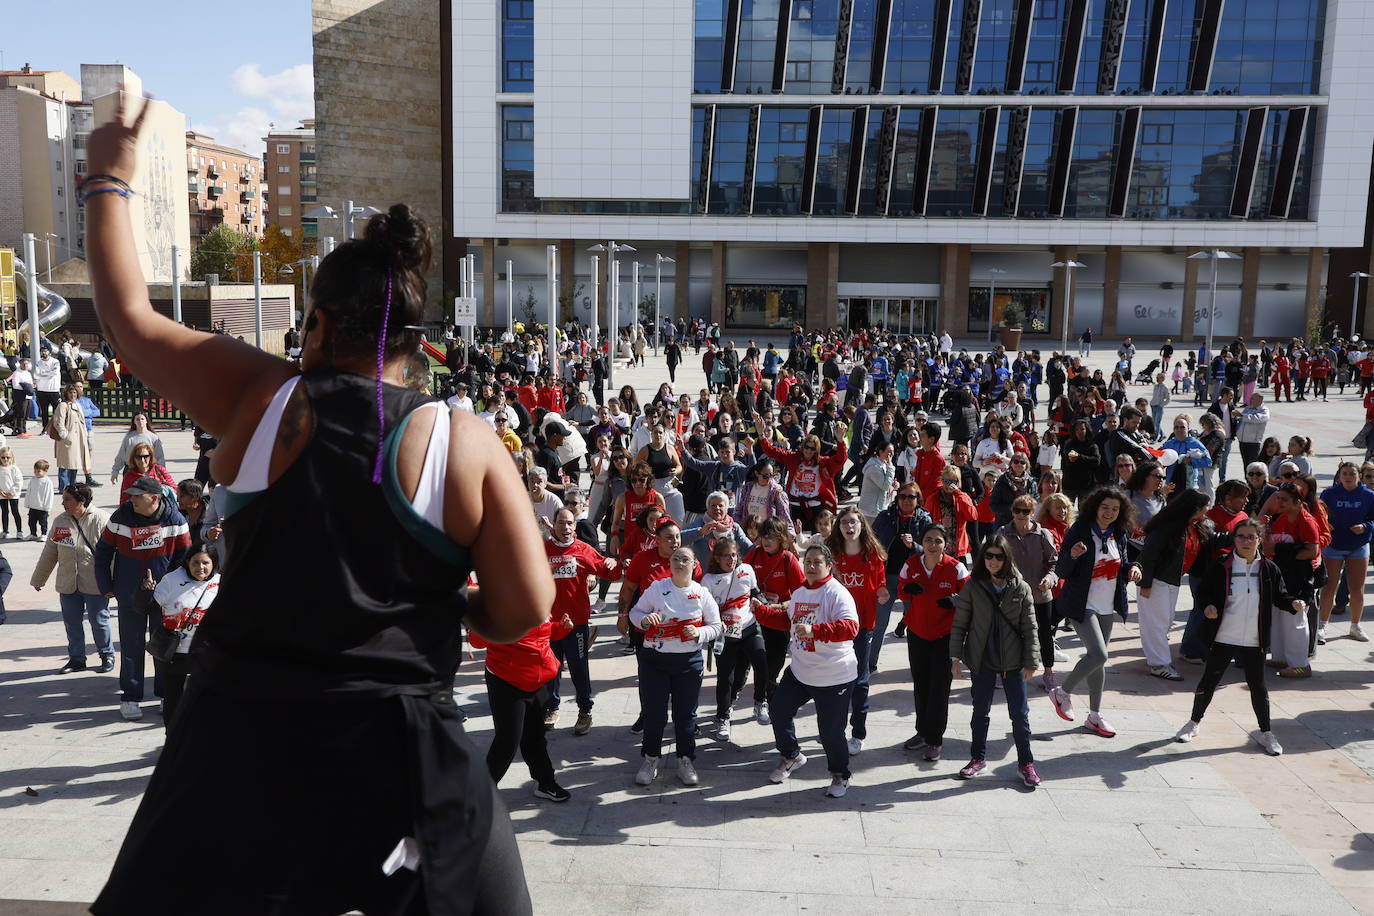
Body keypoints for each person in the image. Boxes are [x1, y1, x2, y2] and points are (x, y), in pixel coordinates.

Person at [86, 106, 549, 913]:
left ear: (319, 322)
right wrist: (448, 602)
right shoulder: (463, 441)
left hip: (242, 741)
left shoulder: (259, 396)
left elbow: (130, 322)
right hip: (398, 752)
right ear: (417, 339)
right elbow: (525, 609)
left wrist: (108, 179)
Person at [1175, 518, 1304, 756]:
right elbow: (1203, 594)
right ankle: (1193, 723)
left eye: (1251, 536)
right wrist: (1208, 607)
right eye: (1241, 536)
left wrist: (1293, 603)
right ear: (1234, 539)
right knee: (1209, 681)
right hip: (1224, 634)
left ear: (1260, 539)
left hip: (1255, 639)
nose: (1246, 541)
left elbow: (1280, 596)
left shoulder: (1268, 569)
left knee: (1258, 686)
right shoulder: (1222, 565)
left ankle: (1266, 732)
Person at [755, 544, 861, 798]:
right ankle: (791, 755)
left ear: (829, 566)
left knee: (830, 731)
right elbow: (786, 621)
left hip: (834, 676)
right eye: (808, 562)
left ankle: (840, 774)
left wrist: (817, 631)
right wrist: (760, 612)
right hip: (801, 671)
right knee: (779, 711)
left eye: (817, 562)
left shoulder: (837, 593)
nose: (811, 566)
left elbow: (850, 627)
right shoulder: (800, 592)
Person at [949, 535, 1042, 787]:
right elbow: (960, 624)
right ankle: (977, 759)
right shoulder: (974, 586)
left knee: (1019, 715)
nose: (992, 561)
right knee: (980, 712)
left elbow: (1031, 627)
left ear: (1006, 558)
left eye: (998, 556)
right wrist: (955, 658)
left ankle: (1026, 763)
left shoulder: (1020, 587)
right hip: (982, 659)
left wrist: (1032, 661)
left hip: (1013, 662)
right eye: (988, 556)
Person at [1050, 487, 1142, 738]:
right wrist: (1072, 554)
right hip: (1082, 604)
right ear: (1094, 507)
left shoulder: (1119, 533)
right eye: (1105, 508)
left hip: (1106, 606)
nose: (1109, 513)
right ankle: (1062, 693)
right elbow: (1062, 571)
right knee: (1099, 654)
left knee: (1097, 661)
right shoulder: (1080, 531)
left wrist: (1134, 569)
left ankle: (1094, 716)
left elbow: (1123, 563)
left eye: (1115, 509)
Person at [628, 546, 721, 787]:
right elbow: (635, 612)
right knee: (655, 714)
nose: (680, 563)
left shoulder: (701, 593)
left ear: (694, 564)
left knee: (686, 716)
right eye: (676, 559)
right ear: (670, 564)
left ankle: (685, 760)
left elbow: (717, 626)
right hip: (654, 662)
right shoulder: (657, 588)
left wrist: (699, 632)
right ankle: (650, 759)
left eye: (685, 559)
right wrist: (644, 620)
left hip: (688, 663)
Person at [543, 507, 619, 734]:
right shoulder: (542, 550)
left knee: (578, 668)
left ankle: (585, 711)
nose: (565, 527)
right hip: (549, 622)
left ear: (574, 526)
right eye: (561, 523)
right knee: (551, 668)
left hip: (576, 624)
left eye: (569, 523)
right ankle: (551, 708)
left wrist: (614, 563)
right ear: (553, 526)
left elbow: (609, 572)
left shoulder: (584, 550)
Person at [897, 524, 969, 760]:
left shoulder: (956, 567)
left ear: (945, 544)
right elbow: (900, 591)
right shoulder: (912, 565)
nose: (933, 545)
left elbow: (970, 596)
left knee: (939, 689)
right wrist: (907, 588)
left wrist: (955, 600)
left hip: (944, 638)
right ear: (922, 542)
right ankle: (922, 732)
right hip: (917, 633)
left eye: (938, 541)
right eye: (928, 539)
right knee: (921, 686)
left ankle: (935, 740)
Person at [31, 482, 114, 674]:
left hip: (95, 583)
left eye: (67, 499)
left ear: (81, 501)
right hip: (68, 583)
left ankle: (106, 655)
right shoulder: (60, 521)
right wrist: (38, 579)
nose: (63, 503)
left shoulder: (102, 519)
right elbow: (50, 552)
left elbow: (113, 554)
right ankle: (77, 659)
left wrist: (111, 583)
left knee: (99, 621)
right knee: (71, 623)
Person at [826, 507, 888, 755]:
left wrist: (882, 591)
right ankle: (833, 729)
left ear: (862, 525)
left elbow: (880, 581)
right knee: (835, 680)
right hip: (836, 626)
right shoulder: (832, 554)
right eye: (844, 523)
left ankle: (858, 733)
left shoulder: (872, 554)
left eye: (853, 522)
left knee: (860, 681)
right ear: (838, 527)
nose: (849, 527)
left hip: (862, 627)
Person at [1137, 489, 1211, 681]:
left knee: (1165, 622)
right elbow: (1149, 556)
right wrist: (1146, 584)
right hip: (1156, 581)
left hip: (1171, 580)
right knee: (1157, 624)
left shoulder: (1193, 526)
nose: (1207, 511)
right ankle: (1159, 664)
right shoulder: (1167, 528)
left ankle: (1157, 659)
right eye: (1204, 507)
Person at [703, 535, 766, 741]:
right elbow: (704, 609)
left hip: (748, 628)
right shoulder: (709, 580)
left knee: (760, 660)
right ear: (717, 559)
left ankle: (760, 702)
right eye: (726, 556)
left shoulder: (747, 570)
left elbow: (756, 592)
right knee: (726, 678)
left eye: (733, 555)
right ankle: (723, 716)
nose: (731, 559)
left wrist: (760, 601)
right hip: (724, 636)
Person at [150, 547, 219, 733]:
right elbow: (145, 607)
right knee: (173, 698)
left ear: (213, 564)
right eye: (195, 562)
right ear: (187, 563)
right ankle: (172, 738)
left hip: (206, 652)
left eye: (205, 562)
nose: (200, 567)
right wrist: (145, 591)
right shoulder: (172, 580)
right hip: (175, 651)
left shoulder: (220, 583)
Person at [744, 517, 806, 717]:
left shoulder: (788, 559)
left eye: (772, 537)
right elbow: (740, 581)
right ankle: (762, 699)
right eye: (764, 536)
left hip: (780, 619)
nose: (767, 541)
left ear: (781, 539)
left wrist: (779, 605)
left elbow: (801, 594)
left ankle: (769, 691)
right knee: (761, 660)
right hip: (756, 618)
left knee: (776, 663)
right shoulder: (753, 555)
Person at [997, 495, 1060, 690]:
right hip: (1013, 595)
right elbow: (994, 560)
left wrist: (1050, 579)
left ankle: (1048, 673)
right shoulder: (1003, 533)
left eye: (1026, 511)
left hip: (1040, 595)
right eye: (1018, 510)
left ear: (1033, 513)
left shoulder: (1043, 535)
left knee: (1044, 635)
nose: (1021, 515)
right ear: (1012, 512)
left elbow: (1054, 562)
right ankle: (1004, 673)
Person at [1317, 463, 1374, 644]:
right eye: (1344, 474)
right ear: (1339, 476)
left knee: (1357, 589)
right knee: (1329, 586)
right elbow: (1318, 515)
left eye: (1352, 473)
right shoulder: (1329, 494)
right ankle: (1322, 625)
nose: (1348, 477)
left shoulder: (1369, 496)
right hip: (1333, 546)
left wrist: (1365, 527)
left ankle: (1355, 625)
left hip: (1358, 546)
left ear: (1359, 476)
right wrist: (1326, 525)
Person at [51, 383, 93, 490]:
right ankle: (63, 487)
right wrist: (64, 433)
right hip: (67, 439)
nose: (73, 394)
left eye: (74, 392)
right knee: (65, 464)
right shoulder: (63, 405)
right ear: (66, 393)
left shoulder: (78, 405)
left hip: (78, 439)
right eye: (70, 392)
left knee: (75, 463)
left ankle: (72, 486)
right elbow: (58, 421)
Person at [108, 412, 165, 485]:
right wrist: (115, 472)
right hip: (131, 470)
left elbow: (160, 457)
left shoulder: (153, 438)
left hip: (148, 471)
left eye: (142, 419)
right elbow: (121, 456)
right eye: (137, 419)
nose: (140, 421)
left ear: (146, 421)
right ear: (134, 422)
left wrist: (162, 473)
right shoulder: (129, 437)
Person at [25, 459, 54, 540]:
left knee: (43, 522)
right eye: (35, 471)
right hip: (33, 506)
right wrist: (27, 503)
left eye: (38, 471)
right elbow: (29, 492)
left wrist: (47, 506)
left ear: (45, 471)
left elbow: (49, 495)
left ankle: (44, 534)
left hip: (42, 507)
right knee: (31, 522)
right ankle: (33, 534)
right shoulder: (33, 480)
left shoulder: (47, 482)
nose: (36, 473)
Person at [0, 447, 23, 538]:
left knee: (15, 512)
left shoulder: (14, 469)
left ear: (12, 457)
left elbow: (19, 481)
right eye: (3, 457)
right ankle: (5, 531)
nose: (5, 459)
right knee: (4, 512)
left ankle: (19, 531)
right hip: (2, 495)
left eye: (8, 457)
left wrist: (12, 492)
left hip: (13, 495)